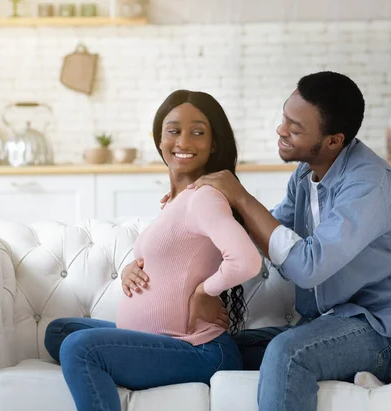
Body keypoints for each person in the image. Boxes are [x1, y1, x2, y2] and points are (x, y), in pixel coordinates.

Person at [148, 71, 391, 410]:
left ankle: (367, 370)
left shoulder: (368, 184)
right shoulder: (305, 174)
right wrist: (176, 256)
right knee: (221, 349)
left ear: (333, 140)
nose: (281, 130)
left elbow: (307, 267)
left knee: (289, 354)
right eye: (285, 117)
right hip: (332, 324)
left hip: (388, 334)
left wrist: (240, 197)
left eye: (296, 128)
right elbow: (261, 236)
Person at [44, 90, 262, 411]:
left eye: (198, 132)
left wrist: (204, 292)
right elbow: (177, 256)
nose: (184, 141)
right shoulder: (174, 200)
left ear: (213, 143)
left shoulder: (204, 196)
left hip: (195, 349)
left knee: (80, 347)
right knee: (60, 331)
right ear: (159, 140)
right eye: (173, 131)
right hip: (157, 339)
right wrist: (133, 267)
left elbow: (246, 260)